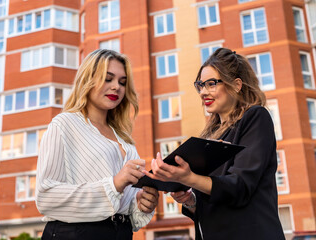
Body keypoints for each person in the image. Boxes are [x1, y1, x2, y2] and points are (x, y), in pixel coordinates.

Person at [144, 48, 285, 240]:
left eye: (211, 84)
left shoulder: (256, 118)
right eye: (200, 85)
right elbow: (215, 201)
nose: (203, 92)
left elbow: (240, 186)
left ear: (236, 85)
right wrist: (191, 201)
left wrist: (189, 178)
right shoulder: (209, 135)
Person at [36, 49, 159, 240]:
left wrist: (140, 201)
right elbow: (46, 197)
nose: (116, 87)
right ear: (88, 80)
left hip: (121, 233)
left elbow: (122, 202)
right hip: (75, 234)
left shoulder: (125, 140)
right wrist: (114, 184)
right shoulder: (64, 124)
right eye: (107, 78)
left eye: (122, 82)